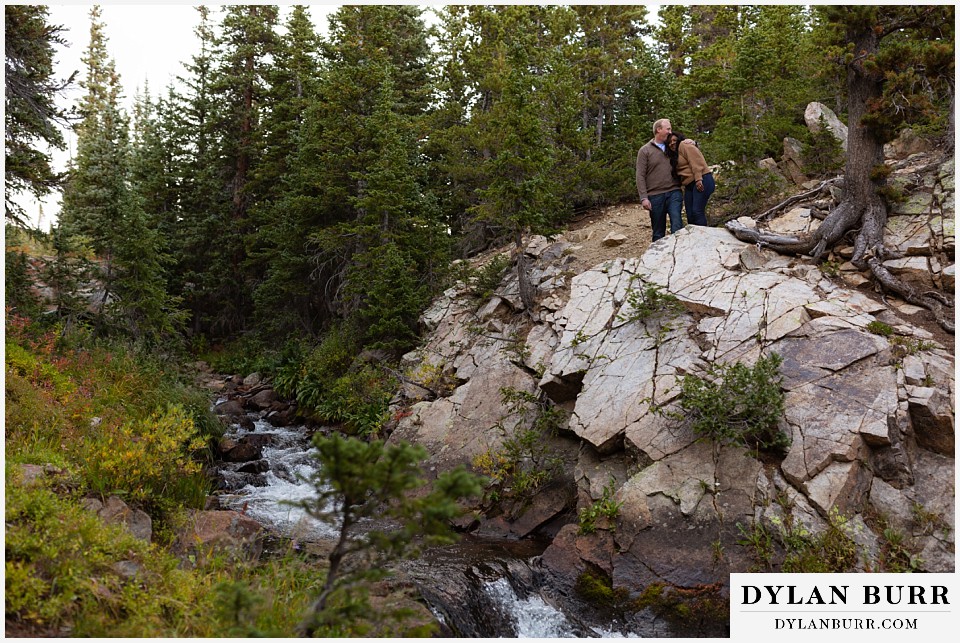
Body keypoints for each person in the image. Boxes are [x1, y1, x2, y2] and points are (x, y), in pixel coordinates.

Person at [635, 118, 683, 241]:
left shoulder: (672, 146)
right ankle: (657, 258)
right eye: (668, 129)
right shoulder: (645, 150)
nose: (670, 132)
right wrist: (644, 197)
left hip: (674, 192)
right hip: (655, 195)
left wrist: (691, 142)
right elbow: (640, 175)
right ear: (659, 130)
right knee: (658, 232)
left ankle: (678, 256)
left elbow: (685, 144)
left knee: (677, 226)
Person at [665, 131, 714, 227]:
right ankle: (693, 237)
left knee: (697, 211)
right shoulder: (674, 155)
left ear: (679, 139)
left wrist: (698, 179)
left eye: (674, 140)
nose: (672, 143)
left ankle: (702, 237)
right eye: (669, 142)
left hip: (702, 179)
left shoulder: (684, 145)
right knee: (690, 215)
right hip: (689, 185)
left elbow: (696, 161)